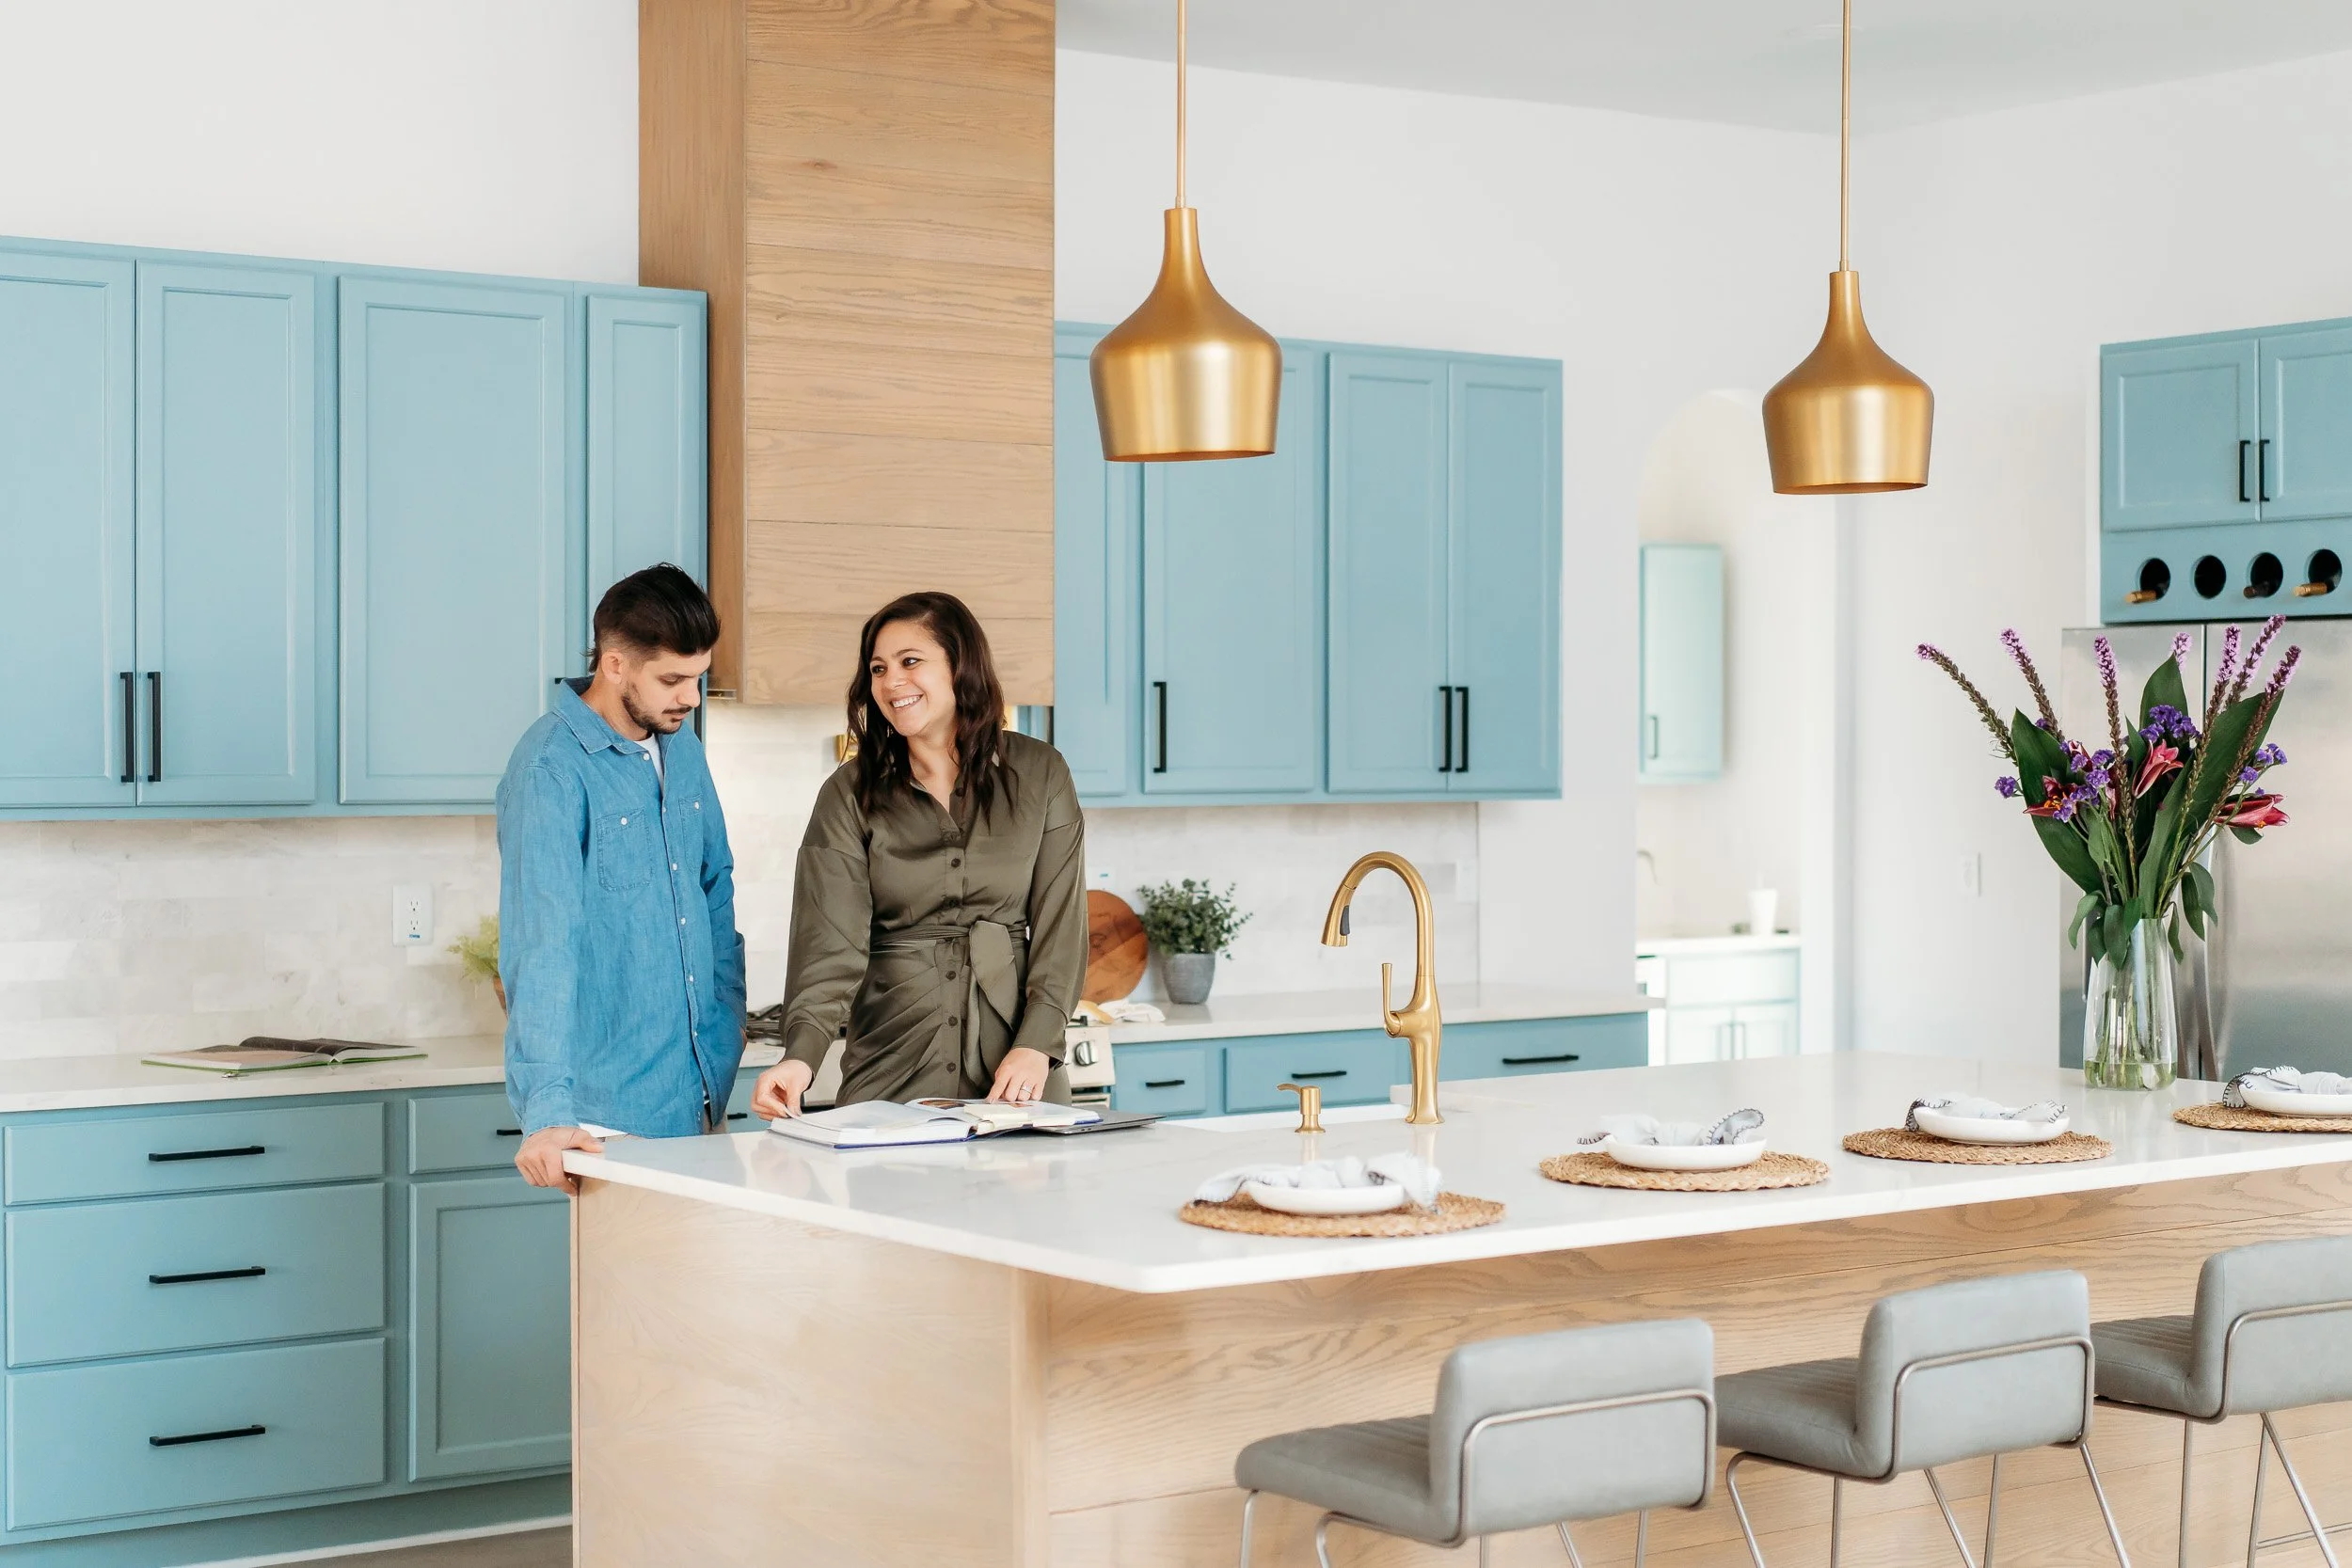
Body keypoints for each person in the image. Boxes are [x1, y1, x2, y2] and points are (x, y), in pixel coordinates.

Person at [751, 592, 1085, 1118]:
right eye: (878, 668)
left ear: (960, 666)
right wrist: (800, 1059)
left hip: (1017, 1069)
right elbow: (827, 945)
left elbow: (1061, 926)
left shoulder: (1041, 773)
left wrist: (1037, 1043)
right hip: (891, 1062)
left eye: (911, 662)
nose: (890, 682)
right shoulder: (847, 794)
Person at [498, 563, 746, 1191]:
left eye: (697, 677)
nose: (690, 697)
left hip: (701, 1096)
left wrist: (726, 1029)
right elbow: (542, 941)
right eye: (672, 679)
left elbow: (715, 886)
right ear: (614, 664)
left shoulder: (681, 744)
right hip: (608, 1121)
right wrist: (548, 1111)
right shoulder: (552, 766)